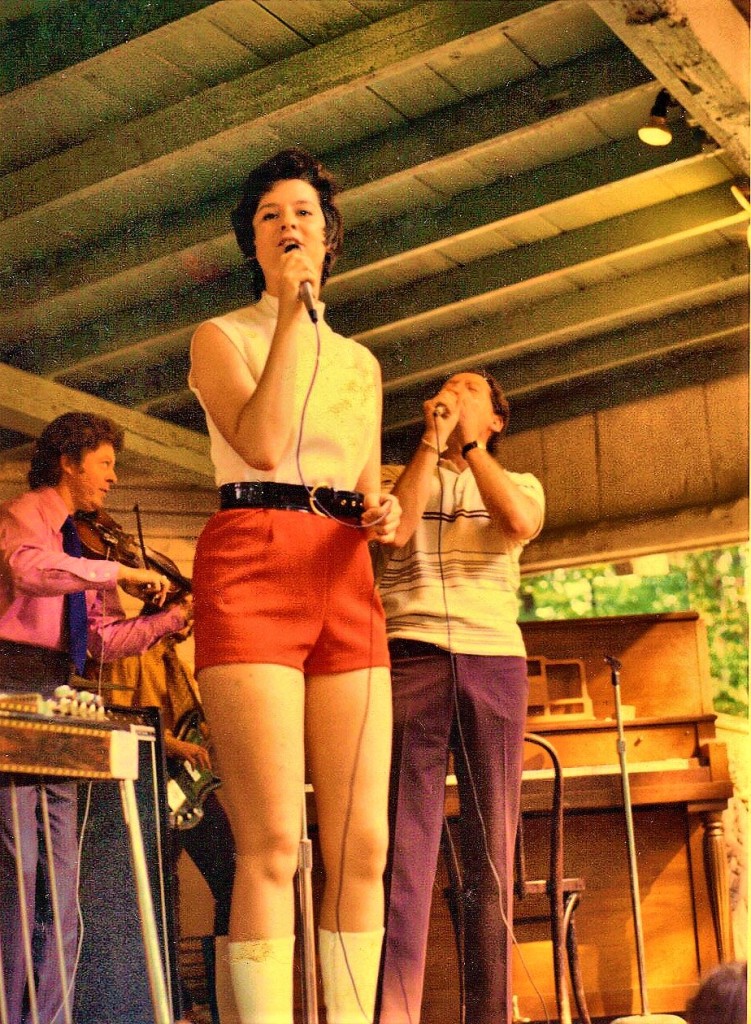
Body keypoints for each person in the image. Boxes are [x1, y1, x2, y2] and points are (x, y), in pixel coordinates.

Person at [189, 147, 400, 1024]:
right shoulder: (221, 337)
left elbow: (360, 478)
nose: (289, 225)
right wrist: (286, 316)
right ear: (252, 239)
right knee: (274, 842)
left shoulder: (361, 362)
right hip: (251, 554)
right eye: (271, 214)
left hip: (341, 565)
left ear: (331, 234)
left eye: (305, 213)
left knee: (361, 842)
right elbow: (267, 443)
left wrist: (383, 511)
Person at [0, 411, 193, 1024]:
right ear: (69, 461)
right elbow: (28, 572)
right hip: (10, 686)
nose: (112, 477)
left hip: (62, 693)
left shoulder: (83, 545)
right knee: (19, 873)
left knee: (63, 880)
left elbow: (100, 640)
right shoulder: (25, 515)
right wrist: (120, 570)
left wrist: (170, 621)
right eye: (105, 463)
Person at [376, 371, 545, 1024]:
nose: (455, 391)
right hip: (412, 653)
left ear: (497, 419)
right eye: (449, 385)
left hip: (493, 659)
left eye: (472, 388)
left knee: (490, 854)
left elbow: (518, 520)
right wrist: (431, 442)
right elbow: (395, 531)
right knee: (404, 851)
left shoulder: (519, 481)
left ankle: (488, 1015)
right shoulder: (405, 473)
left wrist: (470, 449)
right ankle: (395, 1013)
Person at [91, 632, 235, 1024]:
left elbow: (191, 716)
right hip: (150, 779)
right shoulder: (126, 649)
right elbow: (121, 718)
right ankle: (176, 1002)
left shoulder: (174, 657)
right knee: (158, 894)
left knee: (232, 879)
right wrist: (176, 746)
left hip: (190, 781)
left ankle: (227, 994)